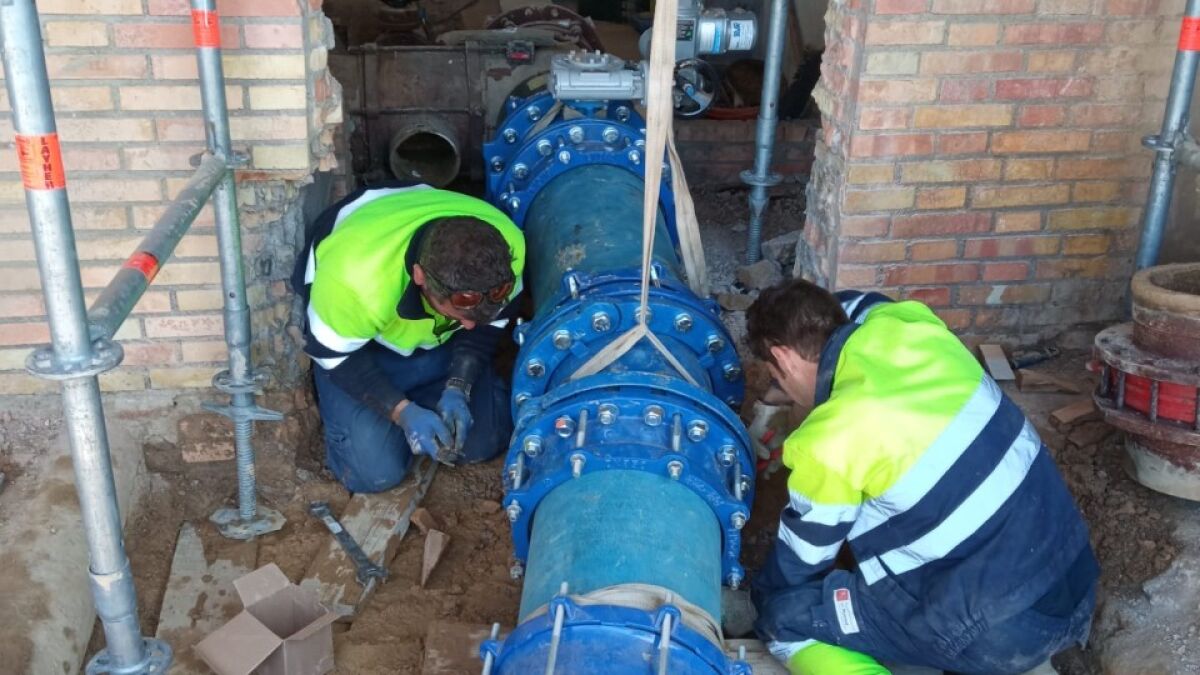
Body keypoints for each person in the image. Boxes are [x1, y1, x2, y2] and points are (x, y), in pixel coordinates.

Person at [744, 279, 1098, 675]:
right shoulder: (911, 324)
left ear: (783, 357)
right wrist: (781, 386)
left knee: (785, 618)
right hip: (1074, 577)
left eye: (777, 375)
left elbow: (804, 561)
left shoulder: (829, 440)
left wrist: (758, 596)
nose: (782, 387)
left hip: (999, 635)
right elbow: (853, 305)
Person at [291, 182, 524, 493]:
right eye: (460, 315)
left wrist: (460, 384)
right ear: (420, 276)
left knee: (483, 441)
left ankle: (427, 401)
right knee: (374, 472)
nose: (470, 326)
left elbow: (487, 323)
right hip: (360, 353)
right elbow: (339, 358)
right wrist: (401, 411)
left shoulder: (506, 248)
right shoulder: (355, 284)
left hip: (435, 344)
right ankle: (389, 419)